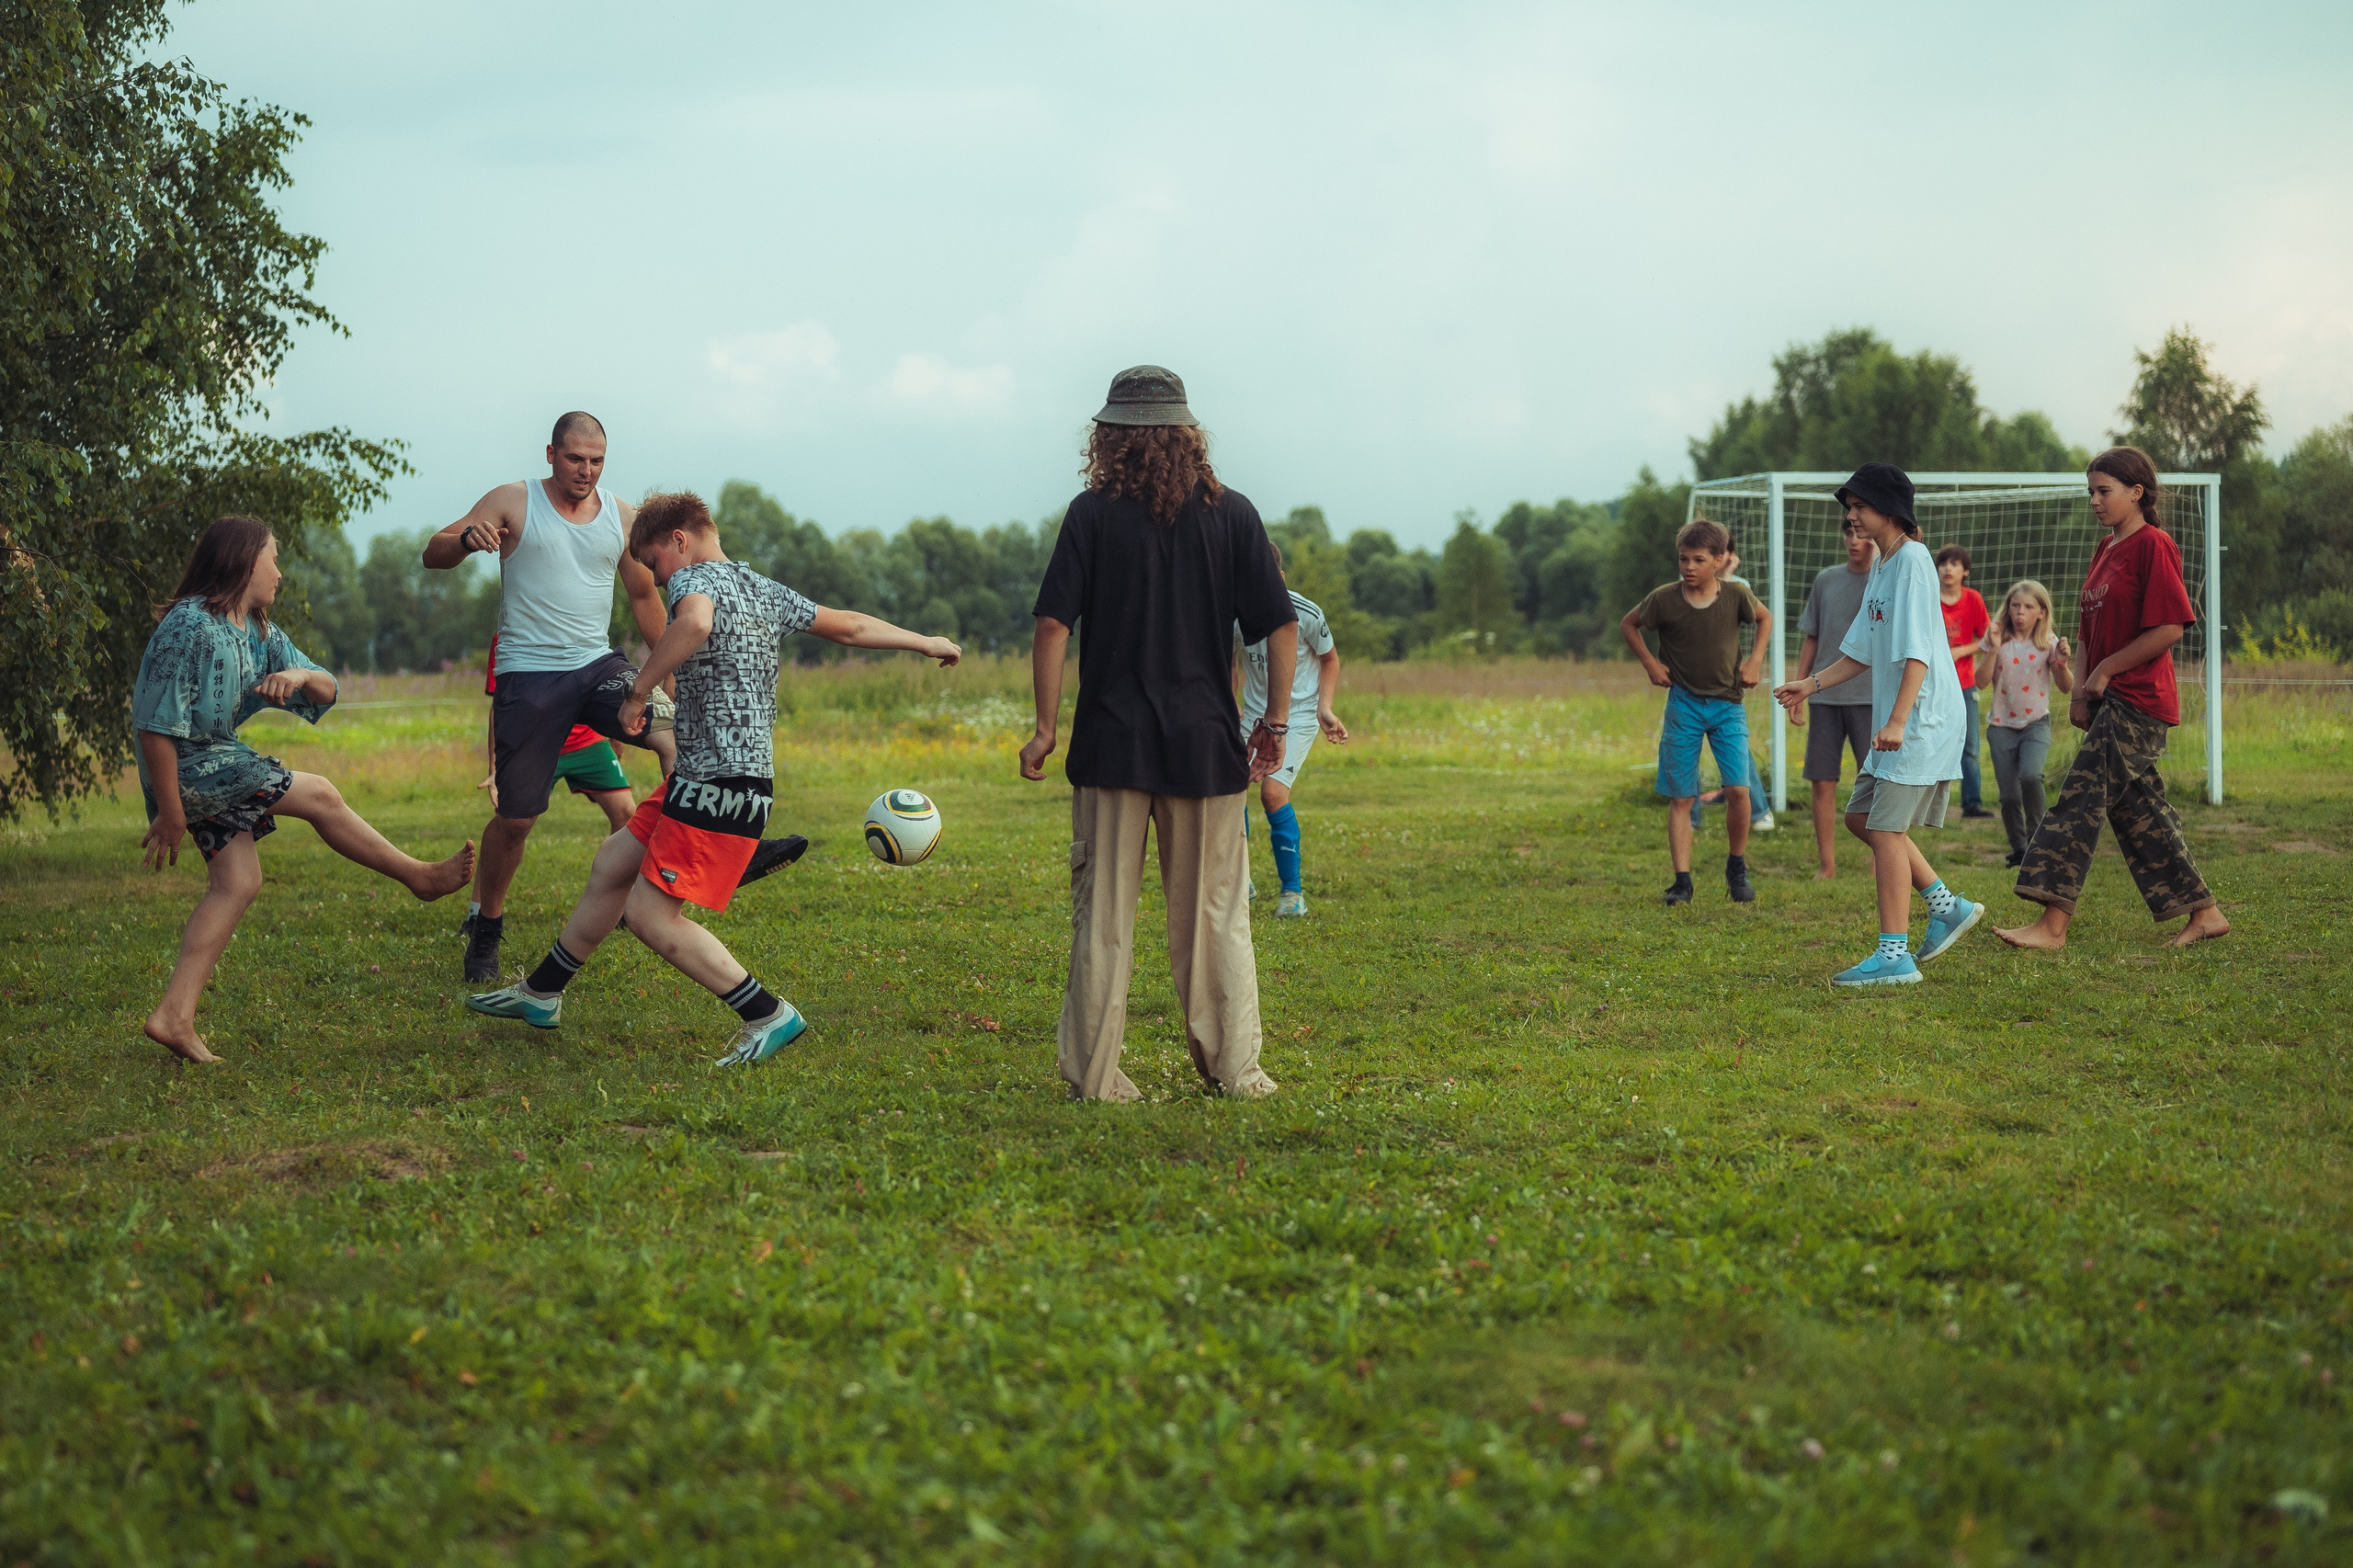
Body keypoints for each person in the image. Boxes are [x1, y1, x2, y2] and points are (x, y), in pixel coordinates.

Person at [463, 492, 959, 1058]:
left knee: (649, 915)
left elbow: (694, 623)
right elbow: (847, 627)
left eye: (653, 561)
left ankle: (767, 1015)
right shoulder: (760, 587)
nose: (653, 576)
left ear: (679, 540)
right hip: (709, 777)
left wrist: (639, 689)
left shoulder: (690, 583)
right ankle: (544, 991)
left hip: (720, 786)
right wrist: (925, 641)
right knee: (612, 863)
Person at [425, 413, 798, 983]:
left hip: (598, 667)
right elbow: (434, 552)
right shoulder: (513, 501)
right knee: (517, 818)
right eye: (576, 459)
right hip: (530, 677)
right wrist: (464, 541)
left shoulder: (621, 518)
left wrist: (666, 675)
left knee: (675, 738)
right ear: (551, 454)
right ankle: (486, 925)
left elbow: (647, 597)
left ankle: (727, 843)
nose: (587, 470)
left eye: (597, 460)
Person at [1022, 365, 1294, 1103]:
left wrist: (1046, 729)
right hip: (1205, 746)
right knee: (1214, 916)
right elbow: (1278, 625)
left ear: (1109, 436)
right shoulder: (1234, 513)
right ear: (1187, 432)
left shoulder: (1090, 514)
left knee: (1103, 919)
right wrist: (1273, 723)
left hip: (1110, 747)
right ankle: (1235, 1072)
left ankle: (1097, 1078)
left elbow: (1053, 624)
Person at [135, 517, 476, 1062]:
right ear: (246, 561)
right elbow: (154, 724)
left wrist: (296, 678)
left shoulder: (258, 630)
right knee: (318, 792)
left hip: (213, 759)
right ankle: (418, 876)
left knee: (239, 881)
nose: (280, 571)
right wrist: (170, 813)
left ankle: (173, 1016)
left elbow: (329, 688)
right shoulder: (189, 625)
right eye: (273, 557)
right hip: (190, 766)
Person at [1997, 449, 2230, 950]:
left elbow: (2170, 626)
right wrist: (2080, 689)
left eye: (2104, 491)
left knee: (2079, 800)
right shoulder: (2105, 549)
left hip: (2139, 700)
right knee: (2140, 812)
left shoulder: (2154, 545)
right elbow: (2085, 631)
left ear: (2136, 492)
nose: (2095, 501)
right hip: (2106, 698)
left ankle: (2052, 926)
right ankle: (2205, 913)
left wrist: (2106, 670)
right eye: (2091, 492)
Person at [1771, 464, 1981, 985]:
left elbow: (1917, 654)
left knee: (1886, 827)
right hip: (1904, 721)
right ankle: (1946, 907)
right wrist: (1810, 685)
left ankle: (1895, 957)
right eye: (1850, 506)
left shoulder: (1913, 561)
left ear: (1888, 509)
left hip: (1921, 719)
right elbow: (1861, 651)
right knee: (1861, 819)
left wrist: (1897, 720)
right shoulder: (1884, 566)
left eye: (1859, 505)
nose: (1851, 515)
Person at [1619, 517, 1770, 905]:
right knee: (1681, 796)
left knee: (1739, 789)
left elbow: (1765, 619)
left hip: (1728, 705)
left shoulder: (1736, 596)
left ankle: (1736, 867)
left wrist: (1755, 663)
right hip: (1684, 704)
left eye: (1698, 560)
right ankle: (1682, 881)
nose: (1689, 567)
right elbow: (1629, 625)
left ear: (1720, 560)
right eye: (1683, 559)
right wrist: (1651, 665)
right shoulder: (1664, 599)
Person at [1233, 541, 1349, 917]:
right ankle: (1239, 880)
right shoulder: (1232, 613)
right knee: (1226, 791)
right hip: (1251, 714)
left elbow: (1330, 659)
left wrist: (1324, 707)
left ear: (1280, 578)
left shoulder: (1305, 613)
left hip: (1295, 717)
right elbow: (1227, 662)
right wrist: (1227, 705)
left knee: (1271, 794)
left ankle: (1292, 895)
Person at [1790, 517, 1877, 878]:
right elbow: (1812, 636)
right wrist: (1799, 687)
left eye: (1861, 533)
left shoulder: (1885, 580)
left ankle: (1879, 861)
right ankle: (1827, 865)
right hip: (1824, 696)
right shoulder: (1826, 580)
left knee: (1874, 781)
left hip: (1871, 697)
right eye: (1848, 533)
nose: (1854, 540)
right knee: (1823, 781)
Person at [1977, 580, 2073, 867]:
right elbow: (1980, 682)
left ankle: (2036, 844)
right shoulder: (1997, 639)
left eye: (2028, 607)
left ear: (2041, 612)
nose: (2020, 612)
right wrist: (1993, 649)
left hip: (2035, 724)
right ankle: (2019, 850)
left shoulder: (2049, 644)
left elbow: (2066, 687)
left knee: (2031, 776)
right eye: (2015, 605)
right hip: (2001, 726)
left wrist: (2064, 664)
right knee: (2008, 796)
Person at [1691, 550, 1777, 835]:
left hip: (1726, 686)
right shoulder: (1686, 584)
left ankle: (1760, 811)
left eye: (1723, 552)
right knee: (1686, 751)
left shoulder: (1739, 587)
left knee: (1737, 751)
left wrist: (1754, 662)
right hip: (1688, 687)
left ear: (1729, 556)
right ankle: (1690, 817)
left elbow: (1747, 615)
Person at [1936, 544, 1994, 819]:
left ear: (1965, 571)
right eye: (1943, 563)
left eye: (1955, 564)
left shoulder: (1973, 600)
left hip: (1964, 684)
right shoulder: (1927, 598)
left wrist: (1960, 650)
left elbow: (1989, 639)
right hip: (1931, 685)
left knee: (1969, 746)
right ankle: (1931, 803)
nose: (1948, 569)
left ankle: (1972, 803)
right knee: (1932, 743)